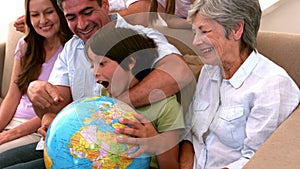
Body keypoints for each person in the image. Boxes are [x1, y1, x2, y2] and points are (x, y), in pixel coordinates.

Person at [0, 0, 193, 168]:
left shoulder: (136, 37)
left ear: (105, 4)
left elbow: (180, 72)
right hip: (73, 147)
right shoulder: (72, 47)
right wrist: (39, 97)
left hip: (109, 155)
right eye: (71, 17)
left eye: (87, 12)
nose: (82, 24)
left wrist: (114, 107)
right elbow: (55, 106)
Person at [116, 0, 300, 168]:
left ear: (236, 29)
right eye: (195, 32)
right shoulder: (209, 71)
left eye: (204, 31)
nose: (196, 41)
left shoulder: (272, 85)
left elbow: (256, 159)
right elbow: (190, 131)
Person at [85, 27, 184, 169]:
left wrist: (156, 142)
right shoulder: (106, 95)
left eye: (102, 63)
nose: (95, 72)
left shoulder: (167, 106)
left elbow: (171, 167)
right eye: (92, 65)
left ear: (131, 62)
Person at [0, 0, 73, 153]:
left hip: (37, 129)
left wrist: (11, 134)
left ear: (60, 12)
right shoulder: (24, 45)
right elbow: (12, 96)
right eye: (35, 15)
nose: (43, 21)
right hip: (13, 122)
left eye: (49, 12)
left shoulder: (72, 49)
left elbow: (60, 108)